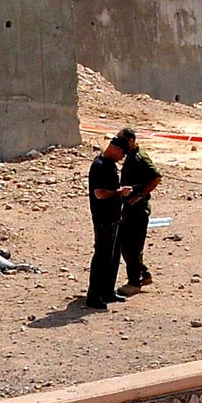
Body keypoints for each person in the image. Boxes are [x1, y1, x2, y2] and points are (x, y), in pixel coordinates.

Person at [85, 132, 131, 309]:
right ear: (114, 149)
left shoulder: (110, 165)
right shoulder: (99, 166)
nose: (122, 158)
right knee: (102, 257)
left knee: (113, 257)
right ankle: (94, 296)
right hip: (103, 219)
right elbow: (99, 193)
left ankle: (107, 291)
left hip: (114, 217)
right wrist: (119, 192)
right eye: (122, 153)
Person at [116, 126, 161, 294]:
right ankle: (143, 273)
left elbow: (156, 177)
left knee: (132, 247)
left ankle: (134, 283)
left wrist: (141, 194)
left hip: (138, 209)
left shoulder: (140, 158)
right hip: (129, 207)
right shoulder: (130, 156)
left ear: (131, 141)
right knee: (125, 244)